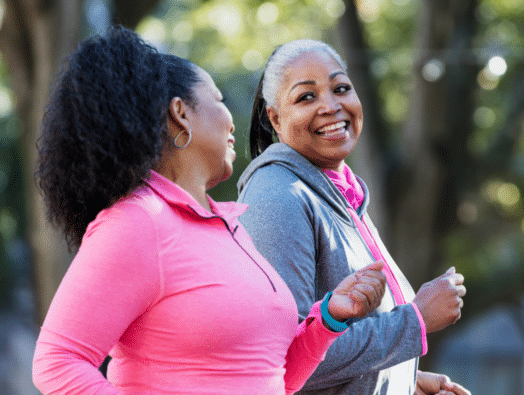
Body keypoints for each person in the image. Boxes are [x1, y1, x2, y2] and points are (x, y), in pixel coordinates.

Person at [31, 27, 388, 395]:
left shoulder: (229, 229)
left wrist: (328, 319)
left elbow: (271, 376)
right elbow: (58, 362)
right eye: (218, 99)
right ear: (180, 113)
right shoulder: (138, 222)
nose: (232, 119)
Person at [237, 40, 470, 395]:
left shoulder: (339, 194)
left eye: (341, 88)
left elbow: (345, 351)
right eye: (306, 97)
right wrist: (415, 319)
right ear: (275, 118)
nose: (331, 106)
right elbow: (283, 360)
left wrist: (405, 382)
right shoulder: (279, 195)